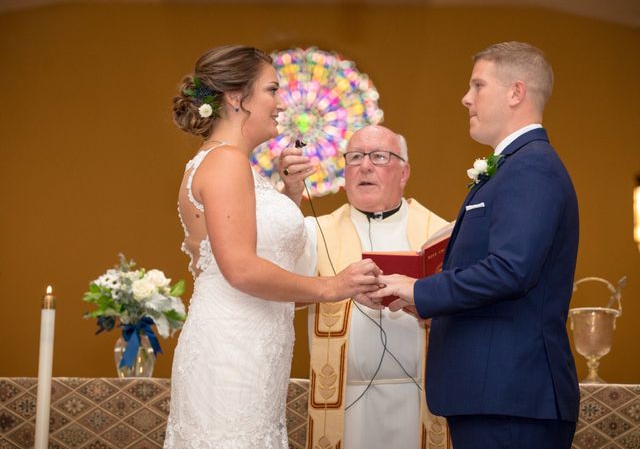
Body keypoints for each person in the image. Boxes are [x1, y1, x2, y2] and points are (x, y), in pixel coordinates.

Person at [164, 45, 382, 448]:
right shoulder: (227, 162)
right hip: (233, 354)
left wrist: (289, 193)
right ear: (236, 97)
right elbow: (241, 270)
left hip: (248, 346)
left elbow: (253, 256)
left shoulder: (224, 163)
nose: (281, 103)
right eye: (272, 90)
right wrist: (333, 286)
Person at [371, 42, 580, 448]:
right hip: (496, 393)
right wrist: (421, 300)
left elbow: (511, 270)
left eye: (478, 86)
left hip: (511, 396)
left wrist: (420, 289)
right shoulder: (515, 167)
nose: (465, 98)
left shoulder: (532, 166)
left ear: (515, 92)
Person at [280, 125, 451, 449]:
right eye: (355, 157)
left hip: (419, 399)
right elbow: (285, 286)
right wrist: (290, 193)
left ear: (404, 172)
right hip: (344, 401)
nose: (365, 165)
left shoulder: (440, 233)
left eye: (379, 156)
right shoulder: (316, 231)